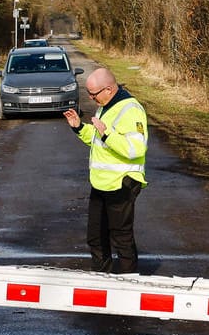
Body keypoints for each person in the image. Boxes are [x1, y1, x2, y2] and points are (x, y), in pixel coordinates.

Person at [62, 67, 148, 274]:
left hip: (122, 183)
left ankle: (129, 284)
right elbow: (98, 139)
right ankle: (101, 281)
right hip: (101, 183)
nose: (91, 98)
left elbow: (136, 148)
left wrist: (107, 133)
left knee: (121, 238)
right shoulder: (106, 105)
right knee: (96, 237)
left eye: (94, 94)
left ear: (108, 89)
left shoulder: (131, 109)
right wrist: (79, 127)